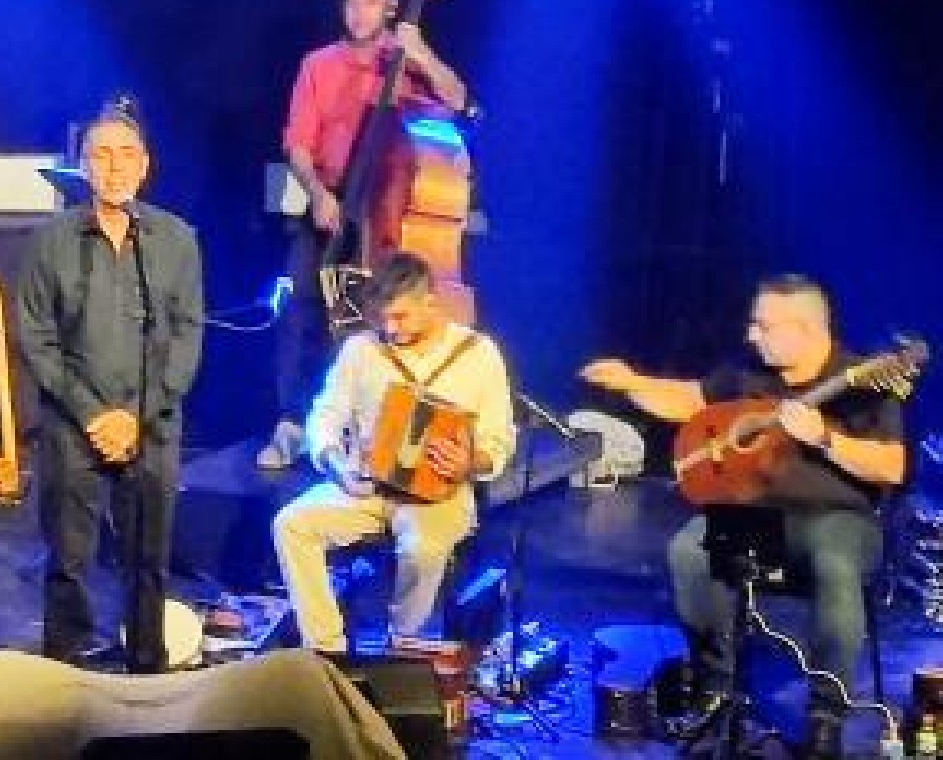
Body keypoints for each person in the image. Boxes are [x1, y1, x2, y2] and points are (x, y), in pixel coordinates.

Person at [581, 275, 906, 758]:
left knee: (835, 562)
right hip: (753, 516)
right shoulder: (747, 373)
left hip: (837, 518)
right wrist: (631, 382)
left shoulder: (862, 382)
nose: (752, 335)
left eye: (764, 326)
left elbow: (891, 467)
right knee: (690, 551)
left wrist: (825, 439)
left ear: (808, 329)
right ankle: (716, 687)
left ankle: (826, 713)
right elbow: (690, 400)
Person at [16, 97, 204, 674]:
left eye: (126, 154)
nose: (115, 166)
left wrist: (137, 416)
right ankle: (64, 671)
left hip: (152, 426)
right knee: (68, 559)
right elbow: (37, 338)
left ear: (145, 165)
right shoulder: (51, 242)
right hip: (74, 425)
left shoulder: (176, 240)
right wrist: (93, 415)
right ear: (84, 166)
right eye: (101, 155)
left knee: (148, 560)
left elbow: (186, 336)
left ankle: (146, 671)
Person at [260, 0, 469, 470]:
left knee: (381, 319)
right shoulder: (318, 65)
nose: (359, 13)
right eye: (351, 2)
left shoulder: (406, 62)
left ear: (391, 8)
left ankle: (374, 430)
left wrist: (422, 54)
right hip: (331, 202)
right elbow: (298, 144)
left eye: (371, 2)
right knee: (301, 310)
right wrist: (318, 196)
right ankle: (292, 425)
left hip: (389, 214)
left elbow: (460, 101)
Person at [272, 251, 513, 654]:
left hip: (439, 496)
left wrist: (469, 463)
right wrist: (336, 465)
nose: (390, 328)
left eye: (401, 317)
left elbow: (499, 439)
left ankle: (402, 647)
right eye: (382, 318)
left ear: (430, 303)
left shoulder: (478, 355)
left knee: (421, 549)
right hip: (365, 488)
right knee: (291, 525)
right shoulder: (361, 350)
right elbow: (325, 415)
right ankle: (327, 650)